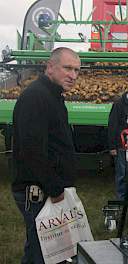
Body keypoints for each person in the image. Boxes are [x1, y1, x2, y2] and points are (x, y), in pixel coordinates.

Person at [12, 47, 81, 264]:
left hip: (48, 190)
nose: (73, 75)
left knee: (49, 251)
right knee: (41, 253)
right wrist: (54, 188)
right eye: (67, 68)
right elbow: (32, 151)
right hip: (39, 192)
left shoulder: (53, 95)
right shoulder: (36, 97)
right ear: (49, 67)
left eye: (77, 70)